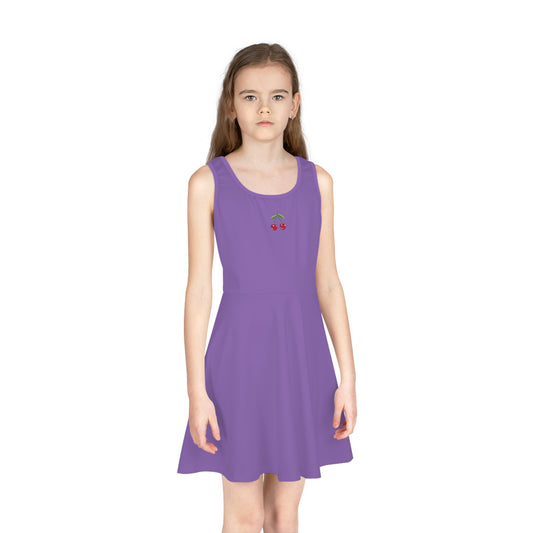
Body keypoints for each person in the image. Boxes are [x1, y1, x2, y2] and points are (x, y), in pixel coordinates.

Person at [177, 42, 357, 533]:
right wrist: (197, 391)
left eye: (277, 96)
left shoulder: (318, 182)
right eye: (250, 96)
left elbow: (328, 283)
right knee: (245, 515)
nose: (264, 108)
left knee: (283, 514)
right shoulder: (207, 183)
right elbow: (198, 292)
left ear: (294, 104)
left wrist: (348, 378)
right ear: (231, 105)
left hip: (301, 359)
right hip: (237, 362)